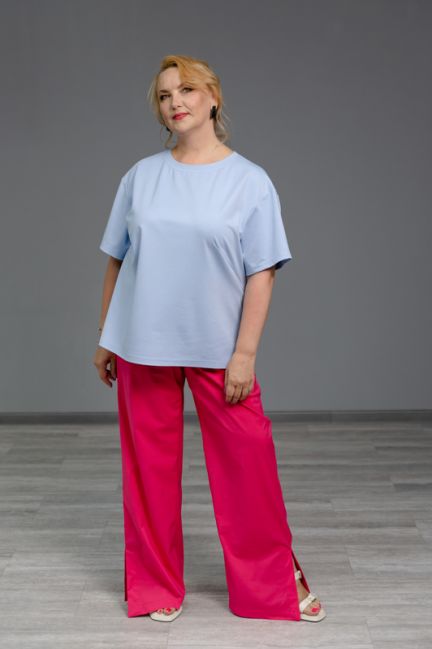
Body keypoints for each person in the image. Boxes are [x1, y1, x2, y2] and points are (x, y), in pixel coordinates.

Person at [93, 54, 326, 624]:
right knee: (147, 474)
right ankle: (155, 585)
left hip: (219, 347)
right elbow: (117, 259)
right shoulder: (140, 176)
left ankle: (273, 584)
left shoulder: (250, 181)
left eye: (187, 90)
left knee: (248, 465)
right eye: (165, 95)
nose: (176, 102)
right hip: (142, 342)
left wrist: (244, 354)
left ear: (213, 98)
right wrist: (106, 336)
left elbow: (262, 271)